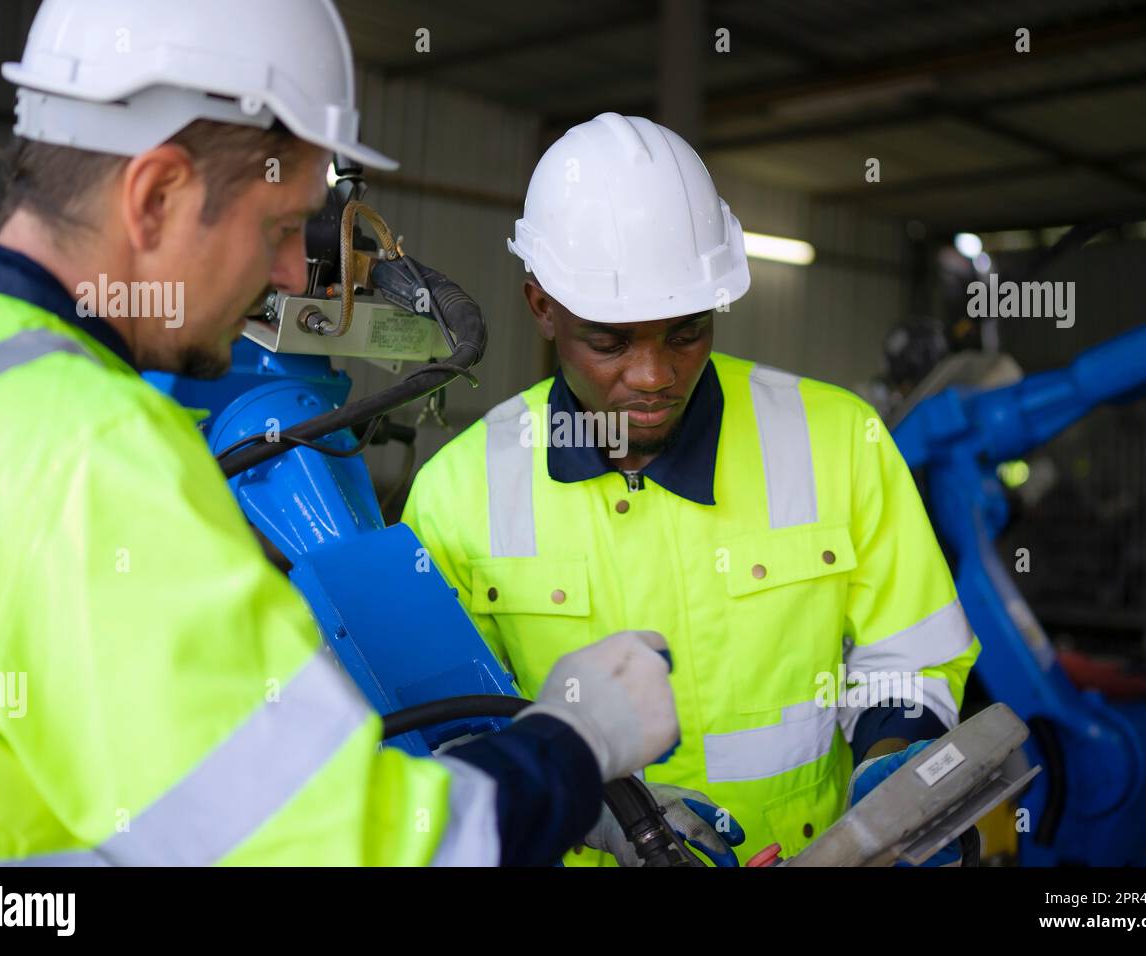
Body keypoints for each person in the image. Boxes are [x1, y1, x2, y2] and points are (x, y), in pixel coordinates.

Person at [0, 0, 680, 867]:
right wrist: (577, 745)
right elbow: (339, 851)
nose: (291, 274)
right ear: (156, 194)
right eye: (279, 228)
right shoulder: (96, 449)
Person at [402, 112, 981, 866]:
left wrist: (889, 773)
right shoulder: (456, 492)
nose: (652, 376)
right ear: (541, 307)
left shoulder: (840, 439)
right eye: (610, 341)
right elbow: (446, 733)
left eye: (686, 332)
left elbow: (914, 655)